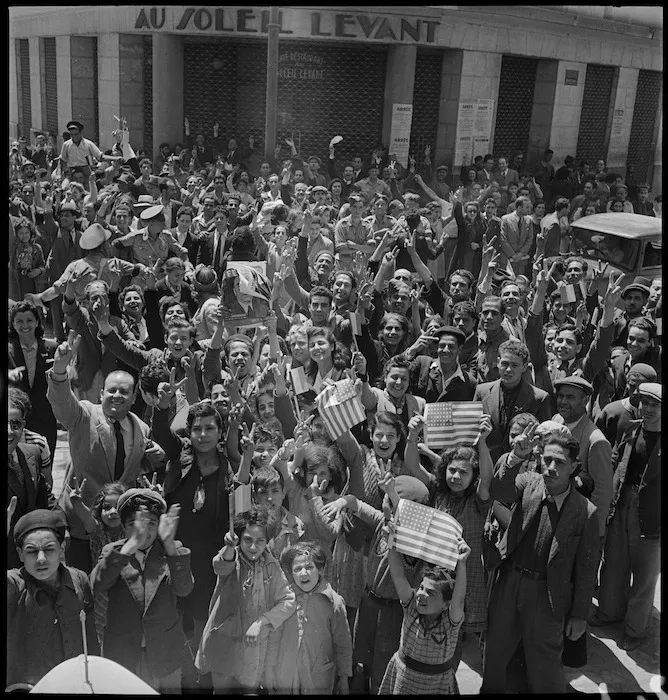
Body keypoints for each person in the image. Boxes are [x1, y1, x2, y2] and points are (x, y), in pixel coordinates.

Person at [481, 430, 599, 693]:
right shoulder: (528, 482)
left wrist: (580, 615)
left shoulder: (585, 512)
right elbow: (497, 491)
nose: (552, 467)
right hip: (509, 583)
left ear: (574, 467)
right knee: (495, 656)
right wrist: (514, 457)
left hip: (548, 594)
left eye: (560, 462)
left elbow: (587, 569)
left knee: (544, 665)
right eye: (547, 460)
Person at [46, 332, 163, 572]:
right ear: (101, 393)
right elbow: (62, 404)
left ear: (133, 398)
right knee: (84, 586)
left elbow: (138, 469)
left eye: (124, 392)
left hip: (121, 525)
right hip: (81, 520)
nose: (117, 396)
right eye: (111, 390)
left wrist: (155, 459)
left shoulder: (142, 429)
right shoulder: (85, 415)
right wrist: (60, 371)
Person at [91, 488, 193, 692]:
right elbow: (98, 584)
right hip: (125, 653)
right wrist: (131, 545)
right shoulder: (113, 552)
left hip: (166, 652)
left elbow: (184, 589)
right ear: (123, 526)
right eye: (133, 525)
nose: (143, 532)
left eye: (151, 524)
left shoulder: (171, 550)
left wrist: (170, 545)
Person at [195, 506, 297, 694]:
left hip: (253, 649)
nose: (252, 547)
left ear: (267, 542)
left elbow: (288, 601)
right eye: (247, 540)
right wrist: (229, 546)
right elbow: (220, 566)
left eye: (260, 541)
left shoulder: (271, 566)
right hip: (224, 643)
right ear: (239, 540)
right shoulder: (233, 558)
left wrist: (262, 622)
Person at [591, 383, 661, 651]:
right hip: (622, 503)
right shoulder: (630, 428)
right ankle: (609, 612)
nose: (649, 409)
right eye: (645, 403)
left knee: (644, 576)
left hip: (652, 511)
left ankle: (635, 629)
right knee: (614, 562)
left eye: (656, 405)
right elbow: (618, 461)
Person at [380, 506, 469, 695]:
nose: (421, 595)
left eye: (431, 593)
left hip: (436, 685)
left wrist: (461, 564)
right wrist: (391, 541)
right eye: (421, 588)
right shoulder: (411, 607)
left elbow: (459, 600)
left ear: (446, 604)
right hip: (404, 679)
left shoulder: (449, 623)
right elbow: (398, 577)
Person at [7, 509, 99, 689]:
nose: (41, 559)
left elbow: (90, 638)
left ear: (62, 548)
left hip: (74, 685)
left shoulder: (79, 579)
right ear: (20, 554)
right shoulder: (14, 586)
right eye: (31, 551)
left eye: (49, 549)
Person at [267, 542, 352, 694]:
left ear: (321, 569)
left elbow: (343, 643)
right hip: (287, 673)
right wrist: (270, 668)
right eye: (297, 569)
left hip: (318, 675)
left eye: (309, 567)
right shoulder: (285, 599)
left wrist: (344, 678)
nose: (304, 573)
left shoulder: (334, 602)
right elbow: (275, 636)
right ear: (291, 573)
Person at [474, 339, 553, 463]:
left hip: (521, 464)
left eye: (515, 365)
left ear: (524, 367)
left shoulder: (539, 398)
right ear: (498, 362)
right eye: (505, 364)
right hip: (487, 462)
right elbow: (473, 431)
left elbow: (544, 439)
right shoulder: (481, 392)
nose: (508, 370)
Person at [7, 387, 58, 569]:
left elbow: (45, 497)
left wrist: (61, 525)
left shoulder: (32, 453)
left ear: (23, 425)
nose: (9, 431)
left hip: (34, 559)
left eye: (15, 424)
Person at [8, 300, 59, 455]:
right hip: (16, 420)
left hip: (46, 416)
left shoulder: (52, 348)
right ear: (13, 324)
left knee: (45, 462)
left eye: (29, 320)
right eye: (19, 321)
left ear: (37, 321)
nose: (25, 325)